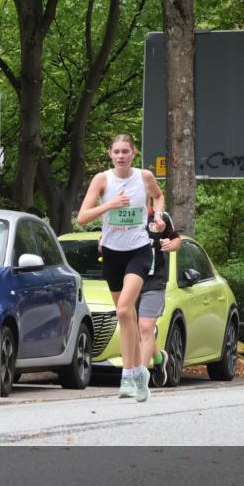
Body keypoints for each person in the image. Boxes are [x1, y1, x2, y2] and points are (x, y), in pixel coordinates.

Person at [77, 134, 166, 402]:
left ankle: (130, 374)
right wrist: (110, 204)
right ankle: (138, 373)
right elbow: (82, 218)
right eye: (116, 151)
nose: (121, 156)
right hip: (112, 254)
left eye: (125, 151)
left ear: (133, 153)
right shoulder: (103, 180)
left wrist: (158, 216)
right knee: (124, 316)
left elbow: (159, 197)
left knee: (126, 308)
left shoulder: (144, 177)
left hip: (139, 251)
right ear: (110, 154)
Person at [136, 207, 181, 389]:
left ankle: (139, 379)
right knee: (137, 330)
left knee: (146, 328)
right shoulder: (123, 213)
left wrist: (172, 245)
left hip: (154, 280)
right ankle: (159, 357)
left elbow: (176, 239)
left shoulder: (159, 217)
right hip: (129, 279)